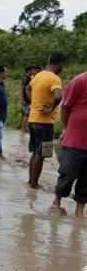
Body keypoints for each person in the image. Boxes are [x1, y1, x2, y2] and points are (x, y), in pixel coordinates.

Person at [26, 52, 65, 189]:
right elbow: (59, 95)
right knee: (41, 155)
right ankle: (34, 184)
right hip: (45, 122)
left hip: (32, 120)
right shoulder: (54, 78)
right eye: (63, 66)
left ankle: (31, 181)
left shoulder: (38, 75)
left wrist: (33, 102)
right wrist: (51, 108)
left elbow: (27, 88)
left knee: (35, 152)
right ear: (59, 64)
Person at [50, 72, 87, 217]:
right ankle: (56, 202)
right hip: (75, 139)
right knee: (68, 172)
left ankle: (79, 211)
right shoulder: (80, 80)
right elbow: (65, 106)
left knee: (86, 179)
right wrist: (67, 127)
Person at [19, 66, 36, 134]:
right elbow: (21, 89)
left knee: (24, 114)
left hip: (27, 99)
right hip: (26, 100)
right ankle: (23, 129)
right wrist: (22, 99)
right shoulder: (25, 79)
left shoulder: (29, 78)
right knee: (26, 114)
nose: (33, 72)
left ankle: (22, 127)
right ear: (28, 71)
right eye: (32, 70)